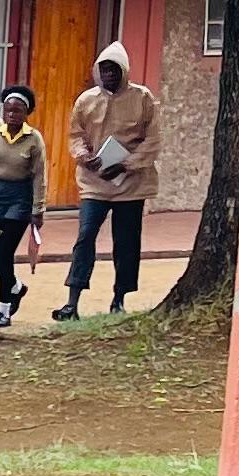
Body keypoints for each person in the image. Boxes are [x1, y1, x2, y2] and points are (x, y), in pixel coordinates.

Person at [55, 43, 160, 320]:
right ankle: (72, 301)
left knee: (125, 242)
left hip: (131, 184)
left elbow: (152, 139)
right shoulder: (86, 100)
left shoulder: (142, 98)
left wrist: (127, 164)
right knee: (85, 236)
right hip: (95, 181)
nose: (109, 75)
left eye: (114, 70)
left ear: (124, 71)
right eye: (104, 70)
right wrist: (83, 156)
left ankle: (119, 298)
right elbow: (75, 135)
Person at [0, 86, 48, 329]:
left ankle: (3, 310)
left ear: (27, 112)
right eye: (8, 110)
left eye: (18, 110)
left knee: (5, 254)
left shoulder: (34, 139)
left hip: (19, 199)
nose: (12, 114)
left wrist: (38, 208)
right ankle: (16, 286)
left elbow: (39, 176)